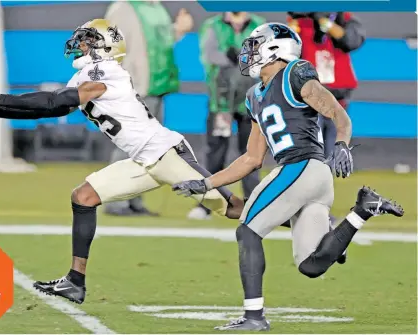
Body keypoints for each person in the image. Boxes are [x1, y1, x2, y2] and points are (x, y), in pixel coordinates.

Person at [0, 19, 244, 305]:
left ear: (105, 46)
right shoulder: (86, 74)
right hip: (143, 161)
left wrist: (0, 98)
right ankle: (74, 282)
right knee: (84, 197)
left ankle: (284, 215)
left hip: (167, 155)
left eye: (88, 40)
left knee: (233, 209)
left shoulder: (106, 71)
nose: (80, 45)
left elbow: (54, 102)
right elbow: (43, 109)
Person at [172, 23, 404, 331]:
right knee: (311, 265)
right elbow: (252, 159)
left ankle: (254, 317)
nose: (249, 53)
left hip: (301, 167)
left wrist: (342, 144)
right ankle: (362, 210)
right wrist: (206, 183)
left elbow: (337, 112)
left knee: (248, 231)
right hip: (309, 178)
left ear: (275, 48)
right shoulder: (254, 95)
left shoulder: (296, 74)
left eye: (255, 46)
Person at [102, 0, 194, 216]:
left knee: (145, 149)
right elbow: (108, 49)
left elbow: (158, 43)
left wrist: (178, 30)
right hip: (134, 87)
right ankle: (115, 201)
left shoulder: (156, 7)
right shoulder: (124, 7)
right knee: (128, 145)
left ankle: (133, 200)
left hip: (156, 86)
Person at [188, 12, 265, 220]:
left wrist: (238, 58)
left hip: (251, 101)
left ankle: (252, 204)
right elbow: (209, 55)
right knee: (215, 153)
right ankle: (207, 205)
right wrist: (237, 58)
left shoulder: (259, 25)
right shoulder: (213, 25)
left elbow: (263, 59)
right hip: (221, 101)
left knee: (252, 154)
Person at [287, 12, 365, 158]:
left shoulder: (343, 18)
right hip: (310, 92)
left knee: (333, 142)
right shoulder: (301, 21)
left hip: (337, 91)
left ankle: (327, 174)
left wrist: (326, 22)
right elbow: (287, 47)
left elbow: (352, 41)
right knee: (310, 145)